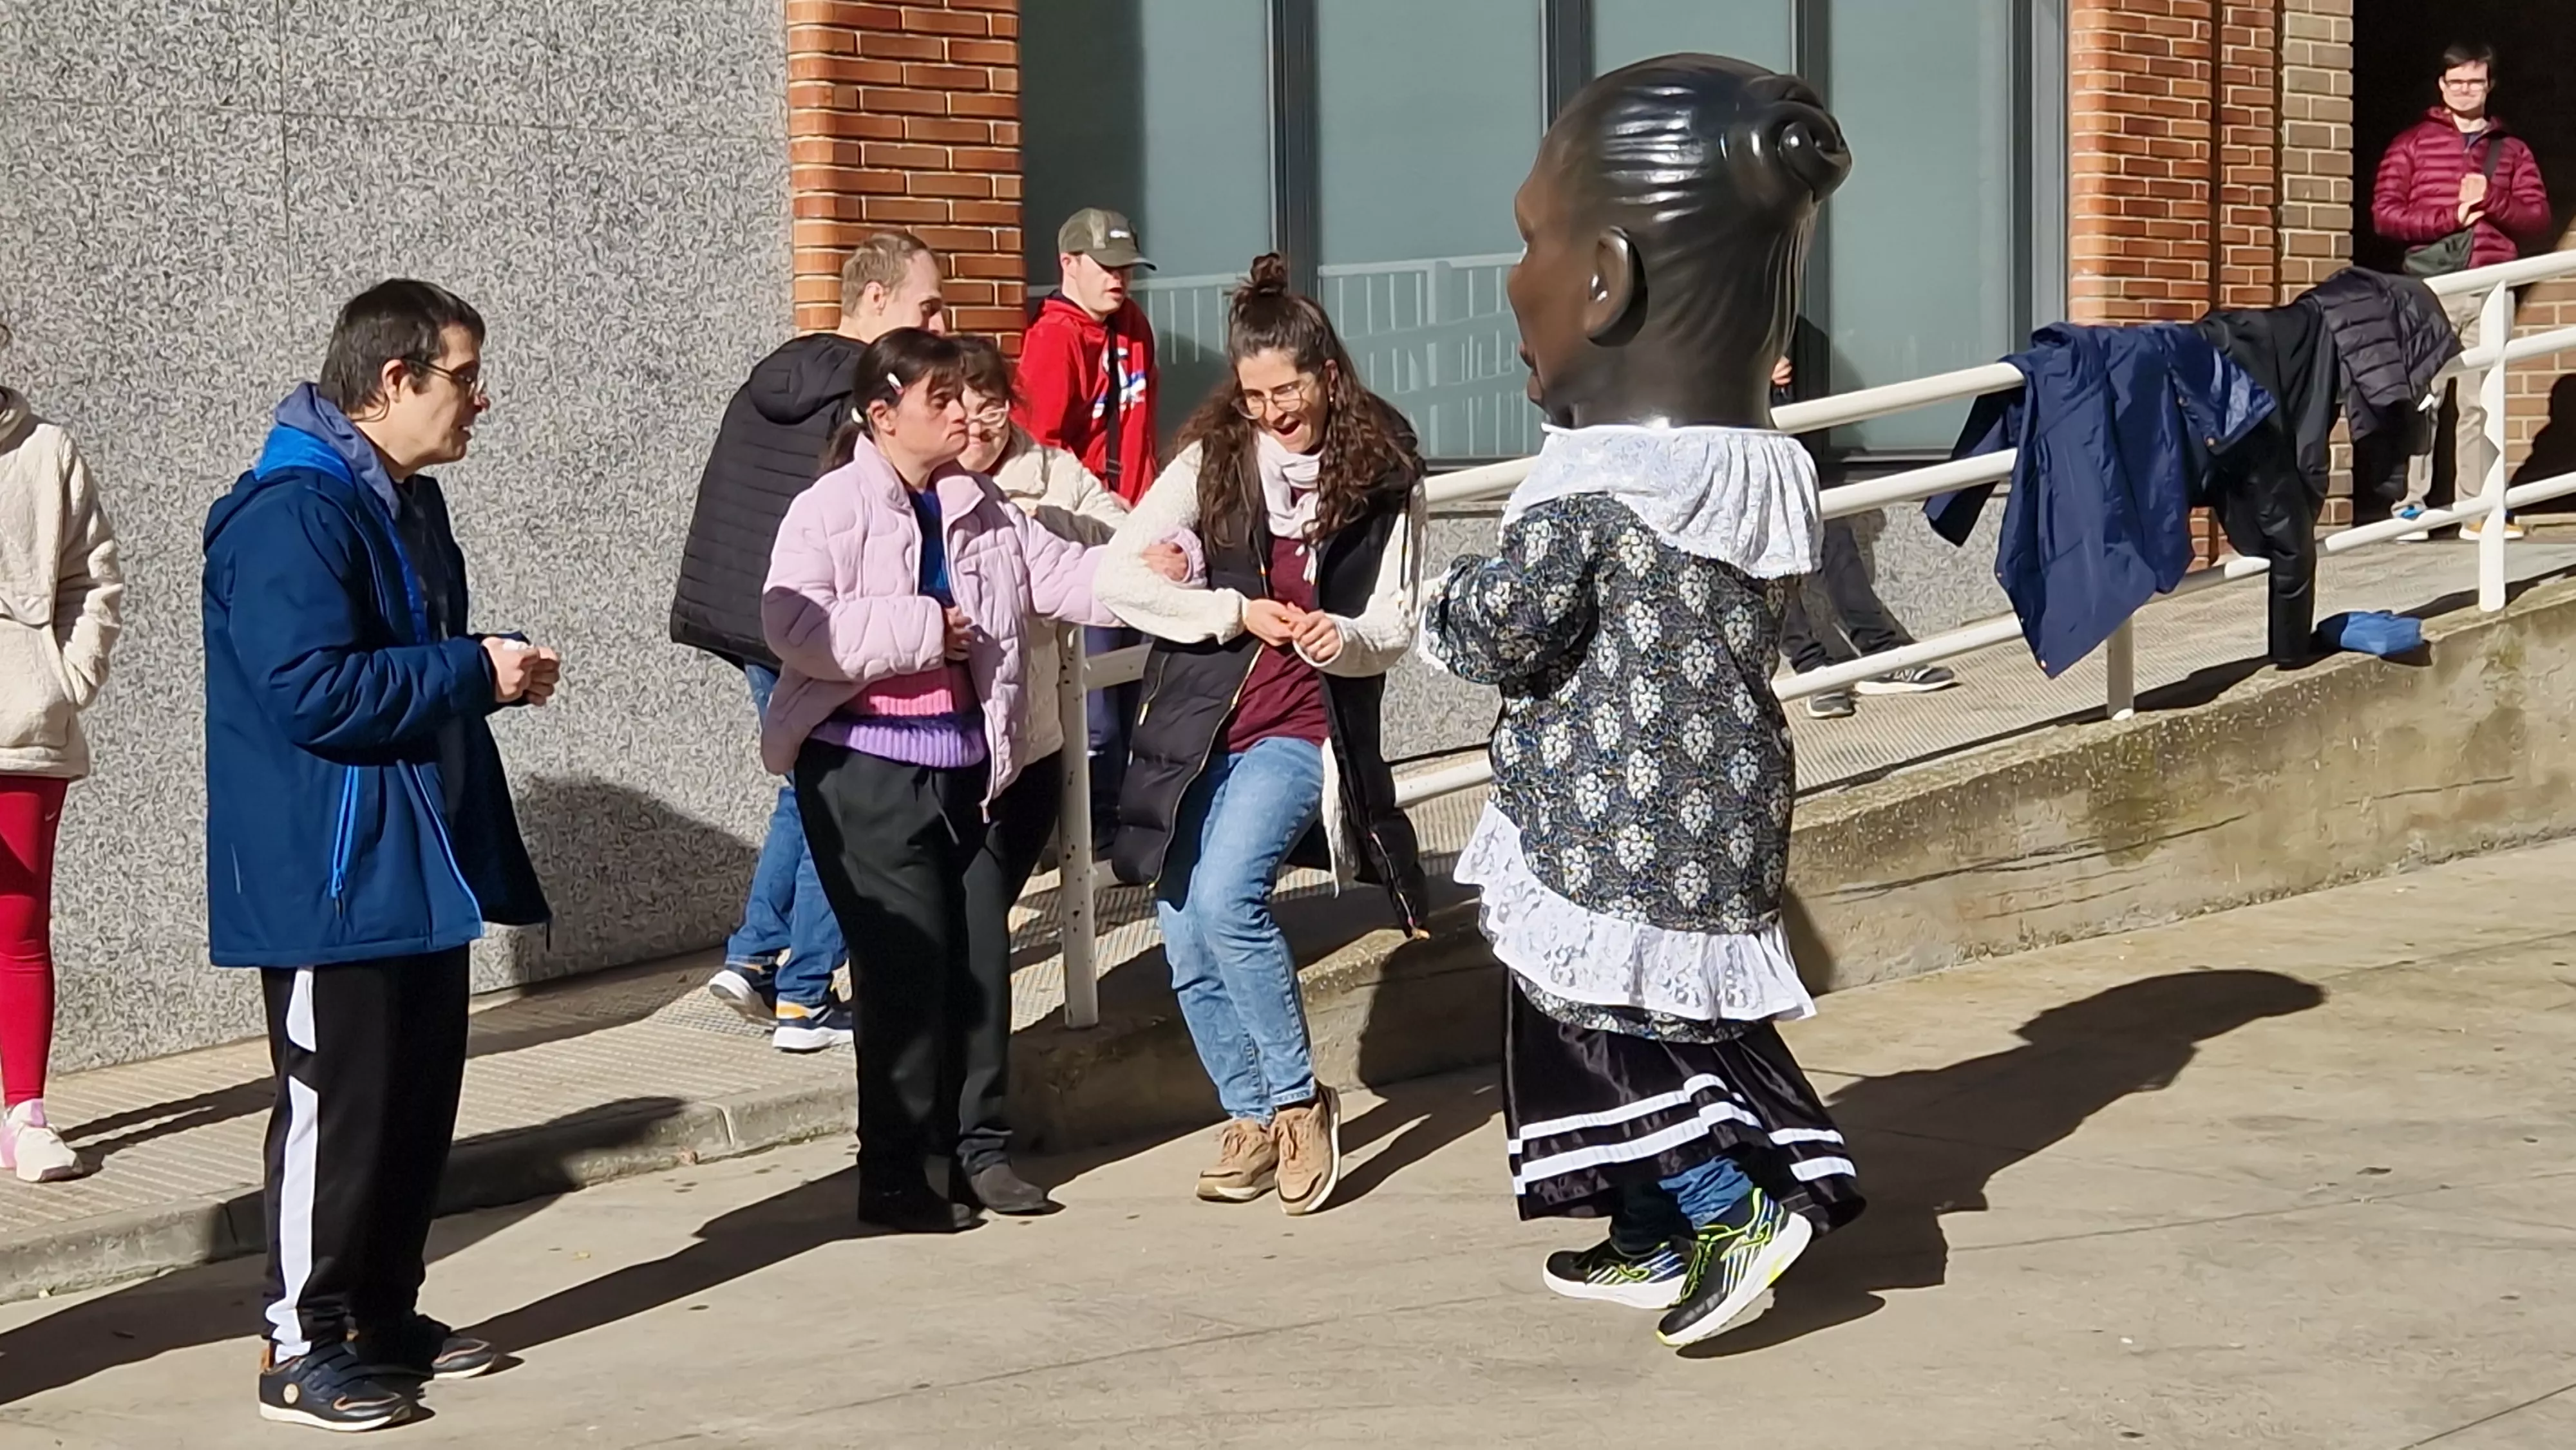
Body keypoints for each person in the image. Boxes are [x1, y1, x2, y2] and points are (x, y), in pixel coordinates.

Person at [1422, 55, 1864, 1351]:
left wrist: (1424, 605)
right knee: (1650, 1017)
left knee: (1613, 1030)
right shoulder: (1745, 482)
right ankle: (1647, 1224)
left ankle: (1721, 1205)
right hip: (1717, 801)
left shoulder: (1588, 488)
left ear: (1603, 281)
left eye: (1528, 240)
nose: (1514, 279)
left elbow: (1506, 625)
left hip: (1601, 814)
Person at [204, 280, 556, 1429]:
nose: (481, 399)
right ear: (395, 379)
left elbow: (397, 669)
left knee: (412, 1102)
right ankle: (297, 1345)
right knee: (336, 1108)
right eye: (463, 375)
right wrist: (470, 671)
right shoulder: (292, 510)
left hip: (414, 854)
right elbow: (308, 691)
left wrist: (480, 668)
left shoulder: (405, 503)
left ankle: (380, 1315)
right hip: (331, 866)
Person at [761, 329, 1123, 1232]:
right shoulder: (829, 506)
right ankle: (895, 1173)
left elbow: (1066, 578)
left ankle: (980, 1152)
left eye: (967, 396)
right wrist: (924, 629)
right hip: (864, 773)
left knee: (979, 965)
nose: (965, 413)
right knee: (903, 975)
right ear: (882, 416)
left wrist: (1164, 573)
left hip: (970, 772)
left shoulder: (984, 504)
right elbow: (792, 625)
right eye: (941, 401)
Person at [1093, 254, 1432, 1218]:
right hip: (1202, 720)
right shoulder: (1215, 460)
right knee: (1180, 921)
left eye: (1287, 390)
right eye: (1253, 395)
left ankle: (1297, 1105)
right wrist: (1228, 608)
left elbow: (1398, 623)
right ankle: (1245, 1113)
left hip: (1301, 724)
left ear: (1328, 375)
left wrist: (1345, 635)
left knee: (1232, 899)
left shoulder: (1385, 474)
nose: (1273, 411)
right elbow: (1120, 578)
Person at [672, 231, 947, 1051]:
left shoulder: (772, 378)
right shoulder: (863, 398)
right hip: (812, 623)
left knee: (804, 787)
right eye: (925, 304)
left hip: (744, 613)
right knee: (841, 791)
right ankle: (805, 991)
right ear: (874, 301)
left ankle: (755, 957)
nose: (938, 320)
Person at [0, 326, 122, 1185]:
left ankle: (28, 1114)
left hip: (22, 732)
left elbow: (96, 577)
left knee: (16, 931)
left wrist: (64, 680)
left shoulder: (47, 452)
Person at [1016, 208, 1162, 850]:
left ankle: (1120, 819)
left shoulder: (1132, 327)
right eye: (1106, 267)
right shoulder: (1052, 343)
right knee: (1097, 705)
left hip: (1140, 529)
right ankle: (1090, 834)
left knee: (1135, 685)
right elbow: (1041, 455)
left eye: (1127, 268)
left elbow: (1143, 430)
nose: (1119, 281)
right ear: (1068, 263)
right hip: (1086, 541)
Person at [2371, 41, 2552, 541]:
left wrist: (2489, 198)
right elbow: (2386, 216)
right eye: (2456, 81)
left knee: (2483, 400)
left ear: (2489, 84)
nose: (2466, 90)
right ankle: (2410, 506)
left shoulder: (2512, 151)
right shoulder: (2410, 144)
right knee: (2421, 395)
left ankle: (2477, 507)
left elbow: (2537, 217)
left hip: (2493, 285)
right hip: (2433, 286)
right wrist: (2448, 218)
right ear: (2442, 85)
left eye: (2475, 81)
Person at [1768, 347, 1957, 719]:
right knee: (1770, 554)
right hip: (1724, 436)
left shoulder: (1765, 294)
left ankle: (1880, 655)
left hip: (1782, 438)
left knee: (1832, 531)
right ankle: (1812, 671)